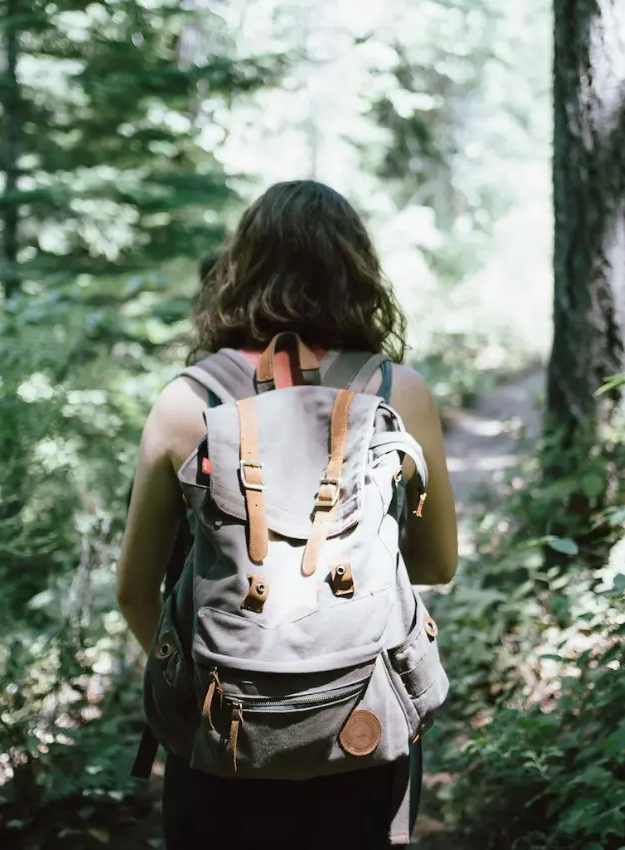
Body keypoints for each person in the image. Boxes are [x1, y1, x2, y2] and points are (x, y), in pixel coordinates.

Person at [116, 180, 460, 849]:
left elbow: (135, 592)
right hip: (362, 726)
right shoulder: (397, 393)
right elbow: (435, 564)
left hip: (220, 739)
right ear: (355, 272)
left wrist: (217, 682)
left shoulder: (186, 402)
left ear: (240, 269)